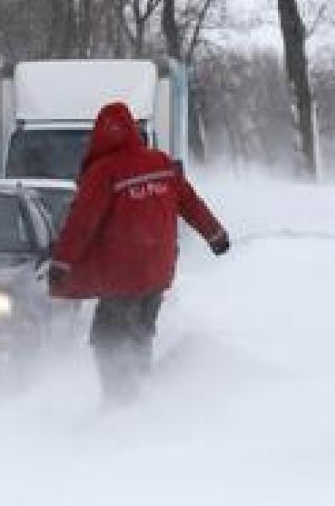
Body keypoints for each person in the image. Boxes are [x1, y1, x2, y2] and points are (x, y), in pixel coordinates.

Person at [48, 101, 230, 405]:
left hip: (122, 276)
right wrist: (216, 235)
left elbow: (82, 223)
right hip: (158, 273)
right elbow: (190, 203)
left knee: (107, 339)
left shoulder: (104, 171)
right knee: (140, 334)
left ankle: (119, 404)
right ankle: (142, 398)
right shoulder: (160, 162)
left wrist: (62, 264)